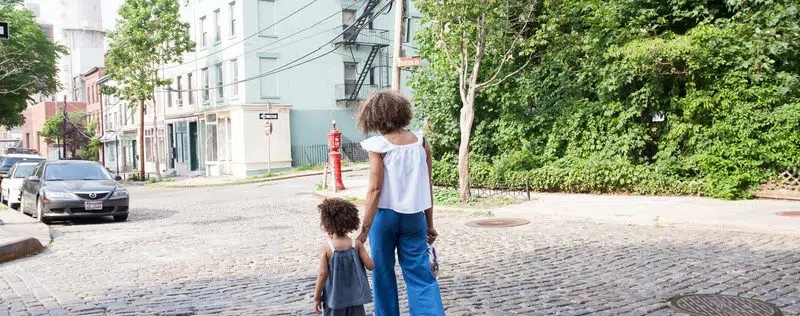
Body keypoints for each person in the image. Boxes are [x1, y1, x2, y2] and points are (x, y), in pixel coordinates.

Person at [356, 91, 445, 316]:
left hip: (384, 217)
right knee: (421, 275)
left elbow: (375, 190)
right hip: (414, 217)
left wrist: (363, 232)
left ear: (374, 117)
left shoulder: (379, 146)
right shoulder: (421, 142)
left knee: (383, 274)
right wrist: (429, 223)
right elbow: (426, 185)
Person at [313, 198, 374, 315]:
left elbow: (322, 274)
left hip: (334, 301)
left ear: (327, 226)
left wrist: (317, 297)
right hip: (356, 299)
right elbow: (370, 265)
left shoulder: (327, 248)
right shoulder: (356, 245)